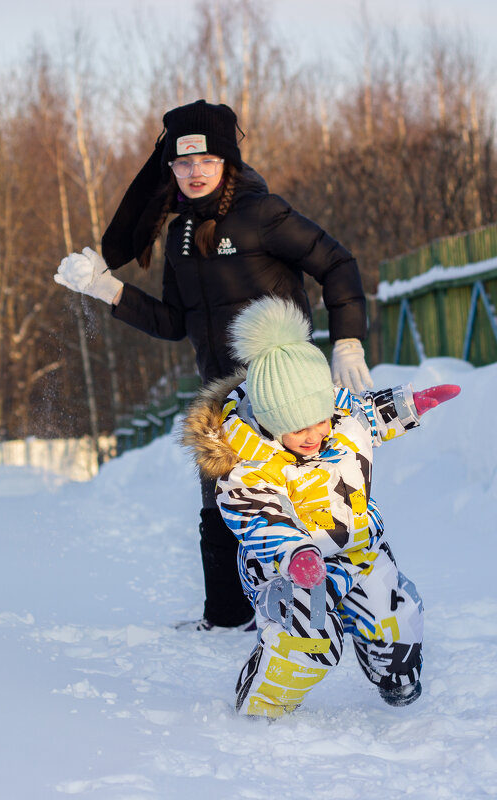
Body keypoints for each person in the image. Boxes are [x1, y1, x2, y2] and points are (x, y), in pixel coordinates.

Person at [55, 99, 373, 631]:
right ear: (171, 170)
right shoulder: (180, 235)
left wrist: (348, 342)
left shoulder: (263, 214)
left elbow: (336, 262)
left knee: (312, 502)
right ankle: (227, 616)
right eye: (183, 163)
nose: (195, 172)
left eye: (206, 160)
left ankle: (342, 610)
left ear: (227, 161)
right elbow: (174, 322)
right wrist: (104, 288)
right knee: (222, 505)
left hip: (286, 392)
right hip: (224, 398)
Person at [179, 296, 460, 718]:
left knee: (398, 619)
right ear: (270, 418)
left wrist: (410, 405)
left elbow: (368, 414)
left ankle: (391, 667)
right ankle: (264, 702)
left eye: (320, 420)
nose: (313, 435)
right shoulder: (245, 462)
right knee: (308, 642)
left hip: (358, 552)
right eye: (297, 427)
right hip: (290, 568)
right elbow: (258, 519)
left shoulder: (341, 419)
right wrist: (296, 554)